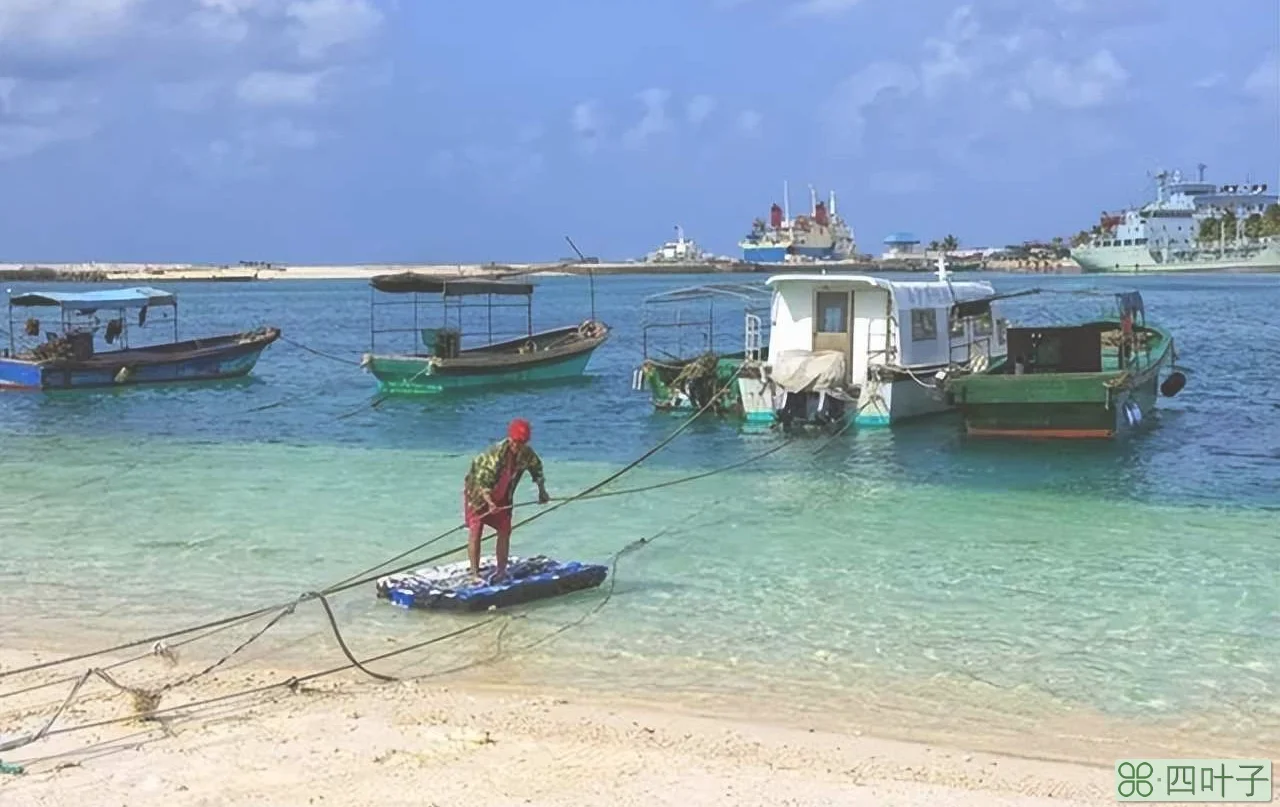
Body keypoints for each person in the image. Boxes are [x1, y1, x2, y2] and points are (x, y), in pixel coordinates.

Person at [462, 418, 550, 583]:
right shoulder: (495, 455)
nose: (519, 446)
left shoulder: (526, 454)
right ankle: (474, 573)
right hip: (478, 494)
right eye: (517, 442)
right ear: (510, 439)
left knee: (505, 530)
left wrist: (542, 491)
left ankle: (501, 571)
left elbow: (537, 469)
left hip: (503, 496)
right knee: (476, 530)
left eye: (523, 442)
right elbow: (482, 483)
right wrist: (490, 503)